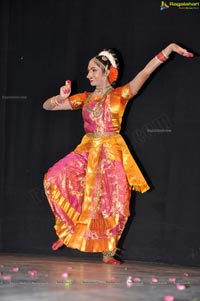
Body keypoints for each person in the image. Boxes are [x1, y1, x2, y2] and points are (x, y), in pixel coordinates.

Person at [43, 43, 193, 265]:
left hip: (112, 151)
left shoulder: (121, 94)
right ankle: (69, 230)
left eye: (93, 69)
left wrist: (168, 50)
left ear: (107, 71)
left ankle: (108, 252)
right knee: (54, 178)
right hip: (87, 149)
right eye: (88, 70)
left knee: (116, 202)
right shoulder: (84, 98)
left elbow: (144, 73)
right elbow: (48, 107)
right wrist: (60, 97)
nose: (88, 74)